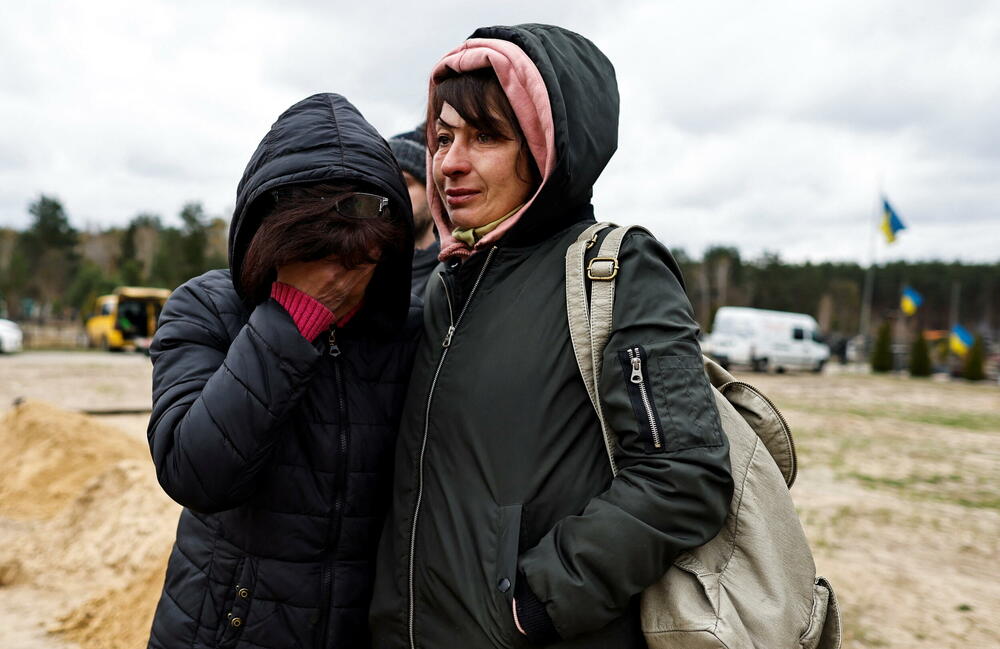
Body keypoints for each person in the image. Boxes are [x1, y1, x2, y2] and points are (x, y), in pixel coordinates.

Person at [370, 24, 734, 649]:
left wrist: (538, 600)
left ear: (546, 145)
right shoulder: (448, 282)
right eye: (443, 137)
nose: (450, 161)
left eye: (485, 137)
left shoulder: (616, 272)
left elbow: (686, 472)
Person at [145, 93, 421, 649]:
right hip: (223, 630)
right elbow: (195, 473)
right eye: (315, 250)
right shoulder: (206, 308)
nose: (338, 277)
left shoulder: (410, 326)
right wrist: (291, 322)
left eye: (358, 259)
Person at [389, 127, 439, 297]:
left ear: (433, 192)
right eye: (387, 185)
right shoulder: (366, 272)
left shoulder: (457, 271)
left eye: (405, 183)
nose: (393, 195)